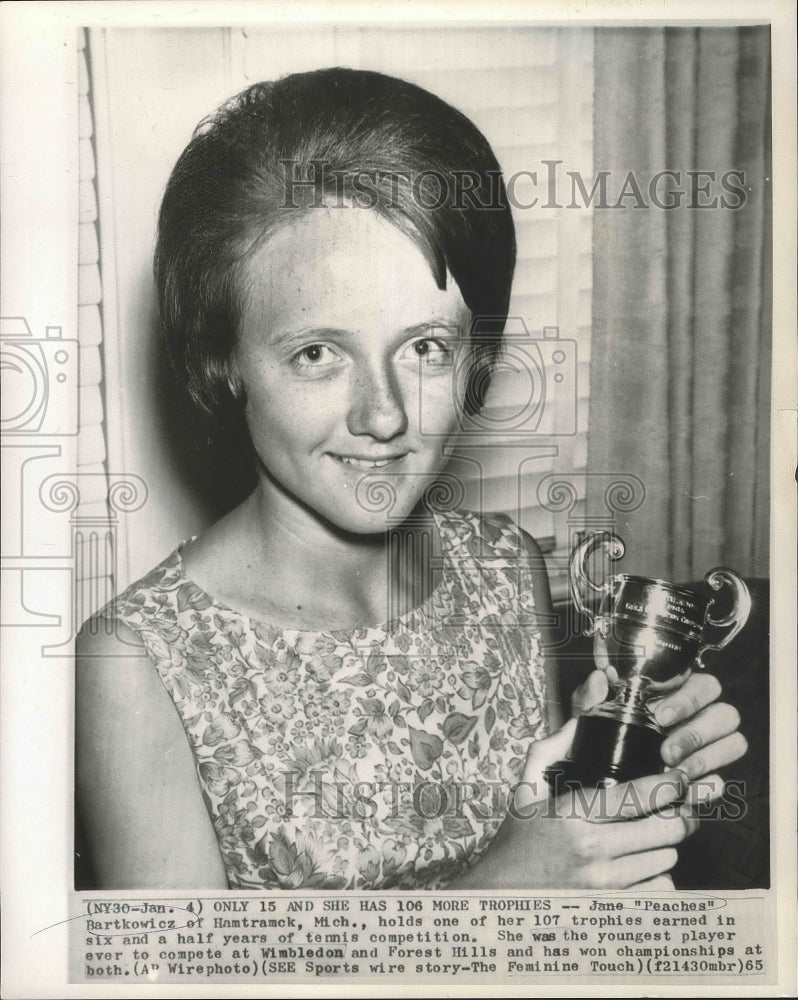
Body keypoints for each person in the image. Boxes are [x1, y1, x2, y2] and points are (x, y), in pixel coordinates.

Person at [76, 67, 746, 891]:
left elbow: (550, 892)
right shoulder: (136, 661)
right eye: (317, 353)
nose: (385, 416)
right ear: (225, 365)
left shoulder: (505, 566)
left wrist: (609, 775)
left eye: (426, 347)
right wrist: (503, 894)